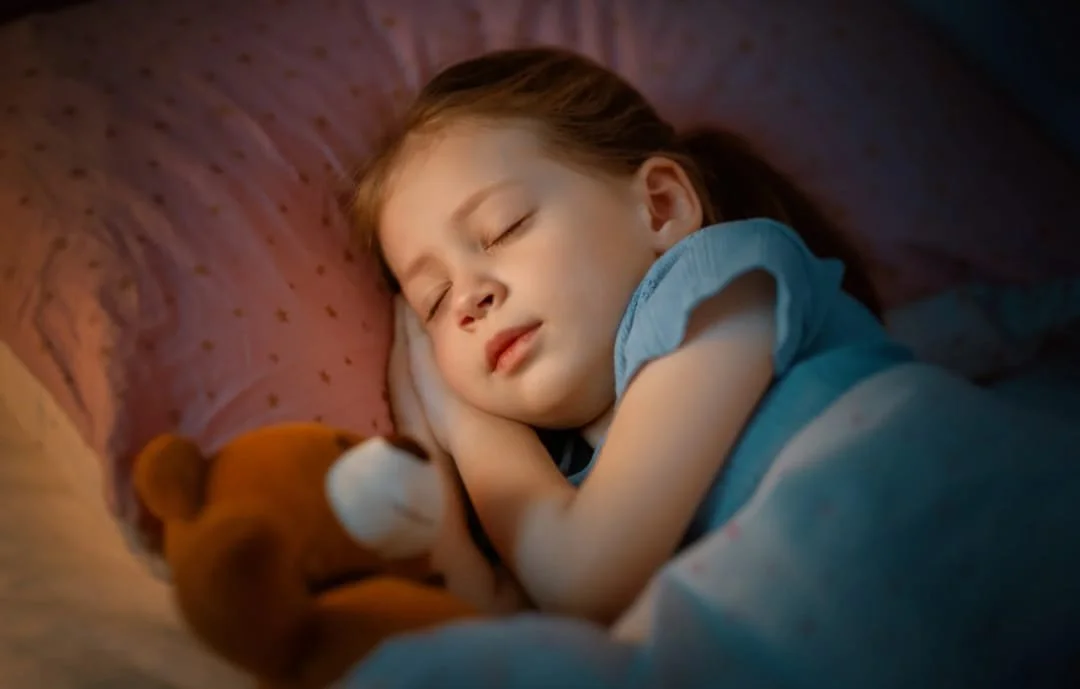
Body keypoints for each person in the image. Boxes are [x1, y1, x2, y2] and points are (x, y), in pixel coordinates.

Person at [344, 47, 1080, 681]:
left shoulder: (724, 285)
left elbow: (585, 573)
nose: (469, 298)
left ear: (661, 207)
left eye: (502, 227)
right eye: (433, 302)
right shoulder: (561, 482)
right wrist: (431, 470)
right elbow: (495, 629)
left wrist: (464, 422)